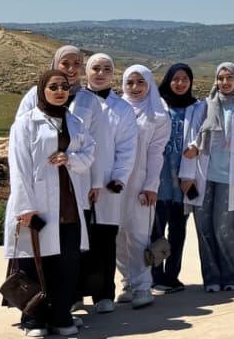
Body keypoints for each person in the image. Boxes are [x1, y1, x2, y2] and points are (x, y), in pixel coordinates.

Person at [4, 69, 94, 338]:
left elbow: (89, 153)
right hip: (37, 203)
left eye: (64, 87)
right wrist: (25, 207)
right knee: (35, 262)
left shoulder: (75, 122)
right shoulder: (26, 123)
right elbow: (18, 167)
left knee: (67, 262)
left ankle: (61, 315)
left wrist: (70, 158)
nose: (59, 91)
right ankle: (34, 317)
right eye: (53, 87)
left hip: (68, 203)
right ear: (42, 90)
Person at [180, 63, 234, 292]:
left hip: (230, 178)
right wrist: (191, 155)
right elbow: (194, 134)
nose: (225, 82)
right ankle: (211, 278)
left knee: (224, 229)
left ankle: (229, 276)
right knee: (204, 228)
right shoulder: (205, 106)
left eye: (229, 78)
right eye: (221, 78)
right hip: (204, 176)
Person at [78, 53, 137, 313]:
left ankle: (104, 294)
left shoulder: (122, 109)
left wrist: (119, 177)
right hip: (78, 179)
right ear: (87, 72)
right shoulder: (75, 102)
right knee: (78, 240)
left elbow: (127, 147)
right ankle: (76, 294)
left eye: (106, 69)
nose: (100, 73)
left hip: (107, 183)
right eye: (95, 68)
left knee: (104, 240)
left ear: (113, 74)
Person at [114, 65, 170, 307]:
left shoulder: (158, 114)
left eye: (140, 82)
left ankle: (144, 286)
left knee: (139, 236)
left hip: (140, 183)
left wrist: (151, 185)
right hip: (115, 182)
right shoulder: (116, 109)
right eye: (130, 82)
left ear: (149, 84)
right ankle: (127, 282)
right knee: (117, 235)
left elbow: (157, 152)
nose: (135, 87)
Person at [150, 63, 198, 296]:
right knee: (156, 232)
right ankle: (156, 276)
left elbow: (204, 135)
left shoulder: (196, 107)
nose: (180, 84)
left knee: (178, 232)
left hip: (183, 183)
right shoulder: (158, 105)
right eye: (175, 79)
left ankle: (172, 276)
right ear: (168, 80)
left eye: (185, 79)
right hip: (159, 183)